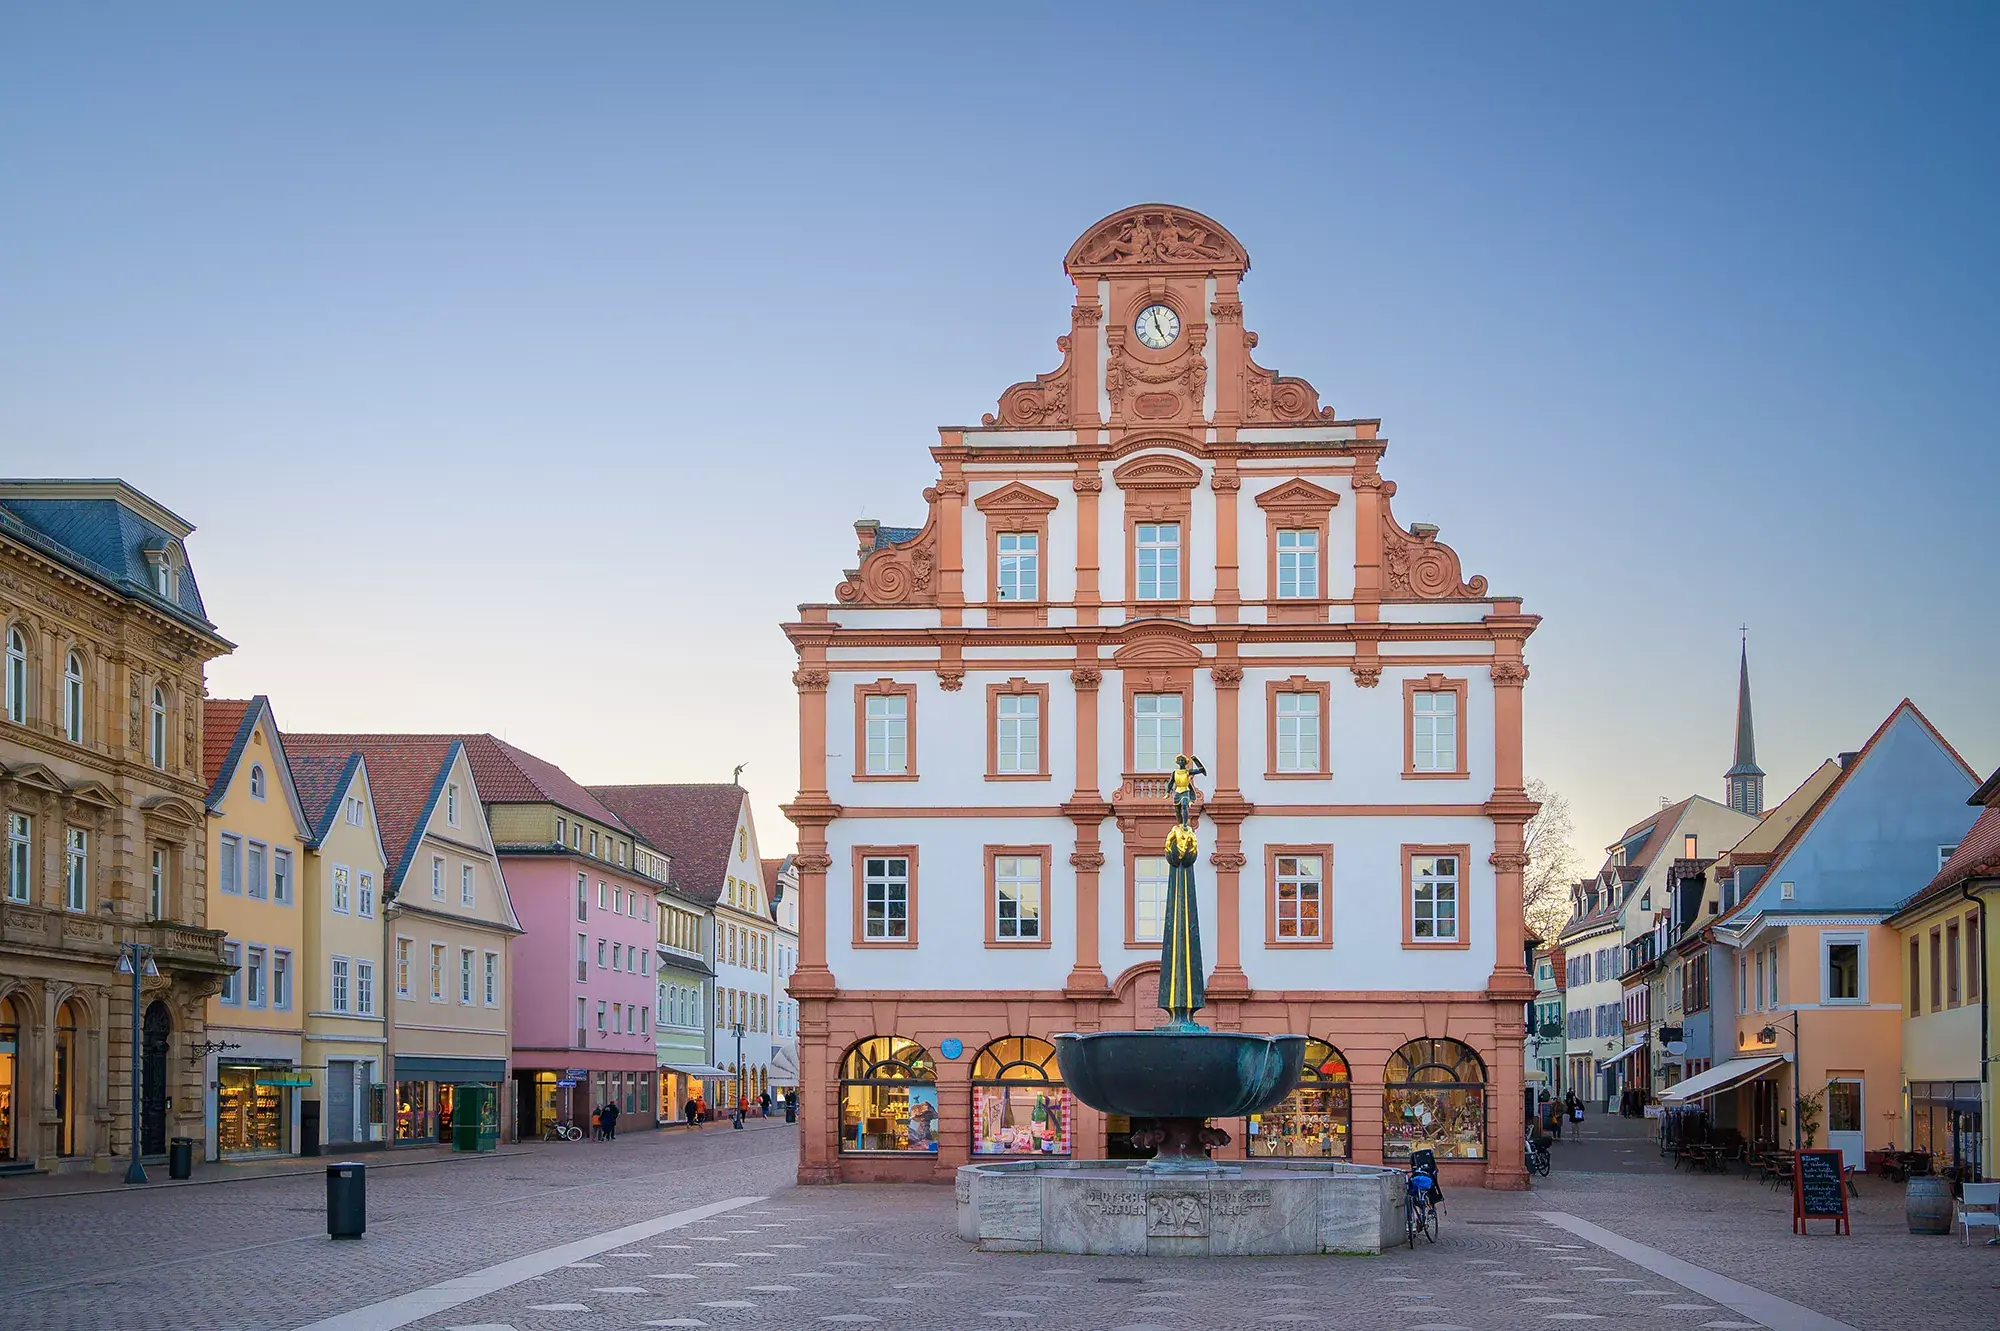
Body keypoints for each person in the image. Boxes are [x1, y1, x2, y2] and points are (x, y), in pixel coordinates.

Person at [1170, 754, 1206, 828]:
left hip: (1185, 791)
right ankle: (1180, 824)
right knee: (1177, 810)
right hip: (1178, 791)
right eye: (1179, 760)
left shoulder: (1188, 772)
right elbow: (1171, 782)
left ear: (1185, 762)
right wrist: (1167, 792)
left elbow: (1201, 770)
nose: (1181, 761)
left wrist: (1195, 760)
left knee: (1184, 805)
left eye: (1182, 760)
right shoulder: (1175, 773)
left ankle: (1185, 824)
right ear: (1177, 762)